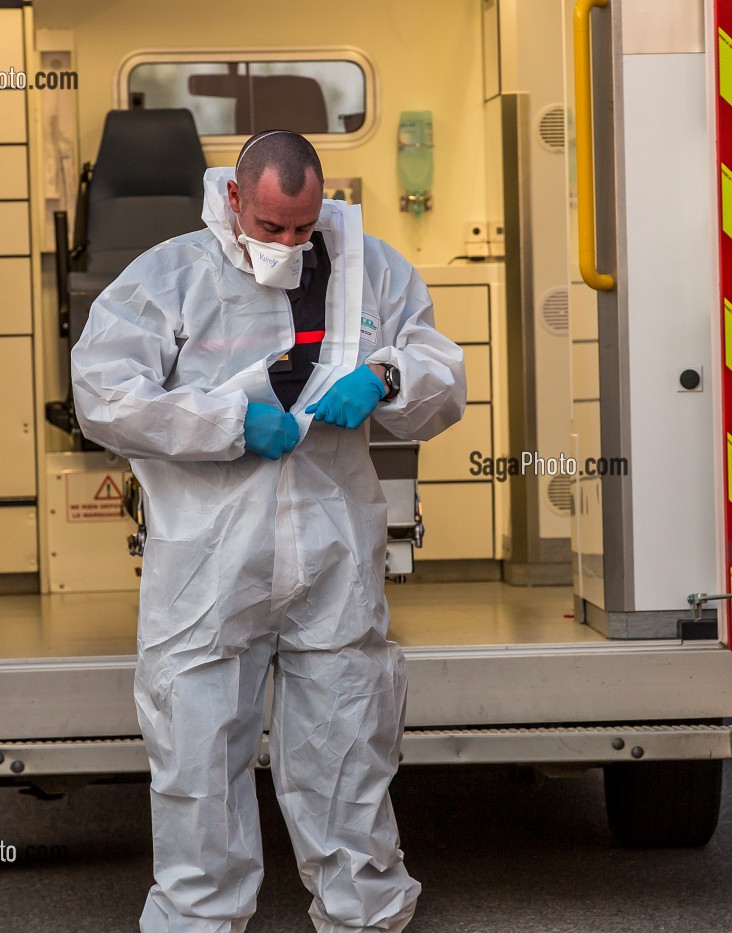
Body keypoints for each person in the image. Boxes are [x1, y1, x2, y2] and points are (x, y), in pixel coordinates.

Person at [72, 130, 466, 933]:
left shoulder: (371, 268)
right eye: (272, 226)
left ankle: (365, 916)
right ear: (235, 199)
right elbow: (103, 392)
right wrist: (227, 421)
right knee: (198, 757)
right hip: (210, 561)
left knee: (348, 746)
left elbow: (441, 373)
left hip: (331, 553)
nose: (290, 243)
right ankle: (197, 919)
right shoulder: (174, 273)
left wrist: (386, 375)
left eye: (303, 228)